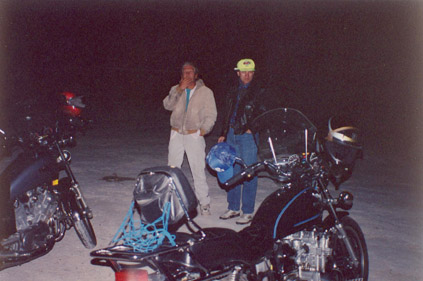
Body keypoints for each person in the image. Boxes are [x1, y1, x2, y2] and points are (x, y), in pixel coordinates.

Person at [163, 62, 217, 215]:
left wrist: (204, 130)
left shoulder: (205, 92)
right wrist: (179, 90)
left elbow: (211, 114)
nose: (187, 75)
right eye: (184, 72)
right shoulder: (176, 89)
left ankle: (204, 203)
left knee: (198, 170)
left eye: (190, 72)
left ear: (196, 75)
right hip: (176, 133)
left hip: (194, 134)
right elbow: (167, 105)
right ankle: (171, 201)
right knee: (172, 169)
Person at [217, 58, 266, 224]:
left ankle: (248, 210)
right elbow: (228, 112)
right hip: (231, 134)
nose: (247, 75)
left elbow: (265, 113)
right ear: (238, 73)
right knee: (232, 171)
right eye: (244, 72)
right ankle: (233, 207)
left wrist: (253, 128)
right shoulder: (232, 90)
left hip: (247, 136)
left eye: (250, 72)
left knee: (249, 172)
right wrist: (223, 133)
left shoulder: (259, 91)